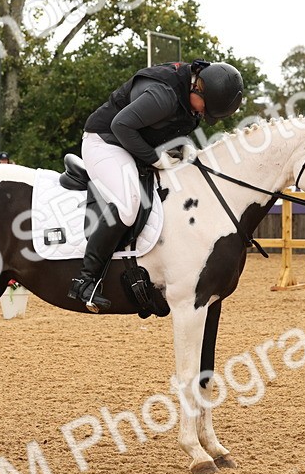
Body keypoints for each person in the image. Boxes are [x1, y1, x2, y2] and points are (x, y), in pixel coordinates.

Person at [68, 59, 244, 312]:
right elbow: (121, 125)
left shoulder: (190, 97)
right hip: (105, 142)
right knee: (129, 205)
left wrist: (181, 147)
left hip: (132, 144)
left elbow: (162, 131)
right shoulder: (164, 96)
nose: (203, 115)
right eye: (205, 108)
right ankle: (86, 279)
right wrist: (155, 158)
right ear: (199, 89)